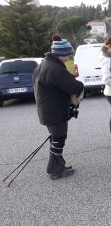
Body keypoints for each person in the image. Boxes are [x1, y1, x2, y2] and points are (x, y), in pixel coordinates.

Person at [32, 34, 84, 180]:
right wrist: (80, 85)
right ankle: (55, 170)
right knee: (59, 138)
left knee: (56, 138)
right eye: (67, 55)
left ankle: (58, 165)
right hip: (54, 111)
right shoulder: (54, 68)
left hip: (46, 109)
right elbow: (72, 86)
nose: (68, 58)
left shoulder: (43, 65)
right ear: (60, 55)